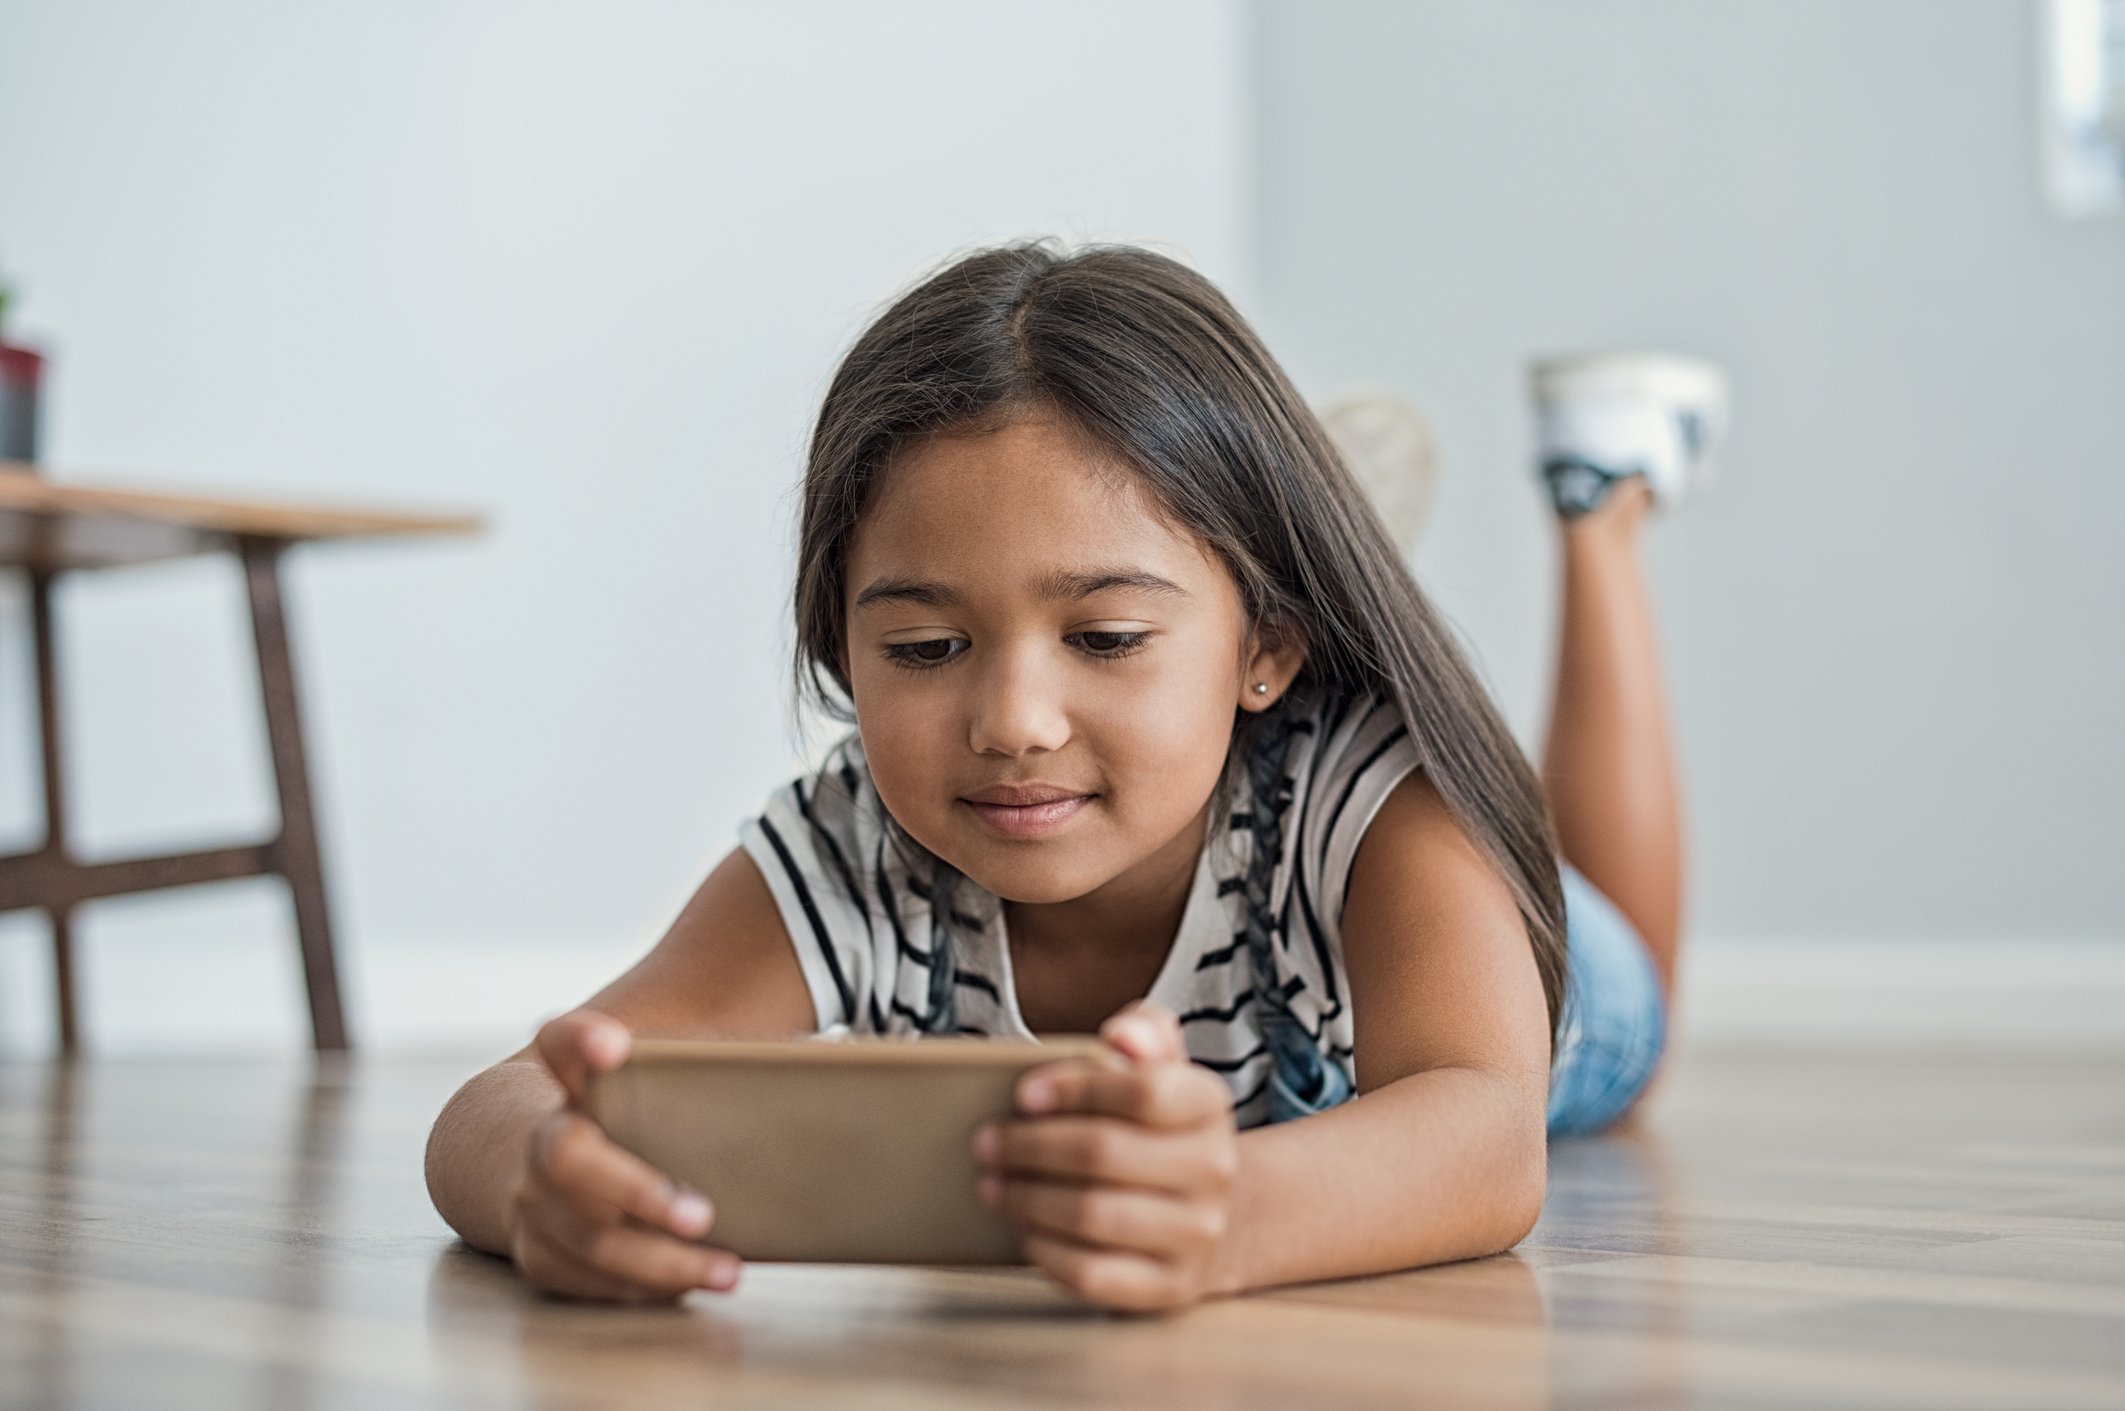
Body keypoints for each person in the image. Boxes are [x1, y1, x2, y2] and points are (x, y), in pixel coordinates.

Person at [423, 240, 1727, 1313]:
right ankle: (1257, 554)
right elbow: (508, 1099)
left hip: (1546, 997)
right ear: (839, 643)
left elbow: (1485, 1138)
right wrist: (549, 1175)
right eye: (925, 647)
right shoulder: (851, 847)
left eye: (1103, 638)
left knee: (1612, 966)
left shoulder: (1378, 797)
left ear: (1272, 647)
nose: (1011, 723)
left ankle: (1598, 504)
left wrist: (1227, 1216)